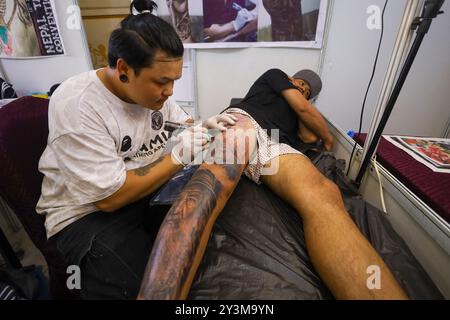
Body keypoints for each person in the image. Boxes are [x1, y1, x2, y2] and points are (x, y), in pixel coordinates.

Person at [36, 0, 236, 299]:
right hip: (85, 215)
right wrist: (179, 156)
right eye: (162, 82)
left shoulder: (154, 93)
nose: (170, 91)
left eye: (174, 81)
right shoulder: (79, 104)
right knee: (156, 286)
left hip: (144, 191)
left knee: (208, 243)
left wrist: (203, 128)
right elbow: (110, 199)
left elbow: (180, 125)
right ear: (123, 69)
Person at [216, 68, 409, 299]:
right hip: (245, 122)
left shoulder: (299, 112)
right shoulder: (276, 75)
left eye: (307, 92)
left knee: (324, 193)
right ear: (290, 79)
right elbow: (302, 107)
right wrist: (327, 139)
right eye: (300, 84)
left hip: (274, 143)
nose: (302, 90)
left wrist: (304, 114)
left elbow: (307, 137)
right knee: (213, 189)